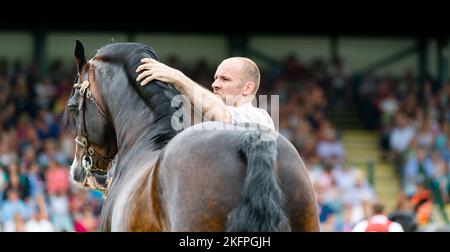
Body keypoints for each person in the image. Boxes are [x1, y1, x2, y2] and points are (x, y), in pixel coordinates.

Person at [136, 57, 275, 130]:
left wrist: (179, 78)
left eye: (225, 79)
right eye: (216, 78)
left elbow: (223, 115)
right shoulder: (202, 121)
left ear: (247, 88)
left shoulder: (260, 118)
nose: (215, 84)